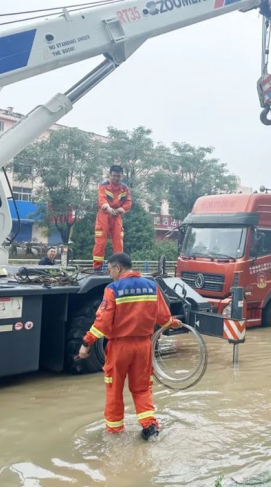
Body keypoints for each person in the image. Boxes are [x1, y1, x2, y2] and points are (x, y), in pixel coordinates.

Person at [78, 253, 183, 441]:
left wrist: (86, 343)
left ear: (118, 268)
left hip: (119, 347)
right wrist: (174, 323)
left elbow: (102, 322)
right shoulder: (152, 286)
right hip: (144, 346)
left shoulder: (113, 289)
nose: (109, 274)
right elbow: (163, 317)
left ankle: (114, 433)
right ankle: (150, 428)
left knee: (114, 389)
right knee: (142, 389)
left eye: (110, 269)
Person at [93, 165, 132, 271]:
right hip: (104, 215)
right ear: (110, 175)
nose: (116, 178)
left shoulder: (125, 188)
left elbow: (128, 202)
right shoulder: (103, 186)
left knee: (118, 242)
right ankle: (97, 268)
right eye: (114, 176)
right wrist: (108, 208)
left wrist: (120, 210)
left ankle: (118, 267)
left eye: (118, 176)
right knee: (100, 241)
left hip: (117, 216)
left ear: (122, 176)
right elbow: (102, 199)